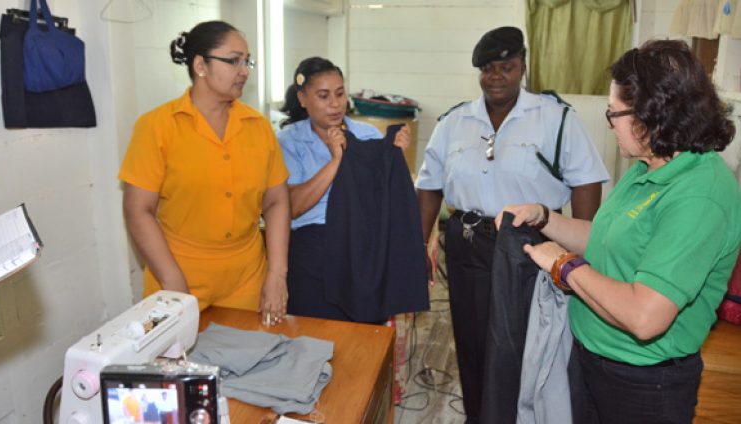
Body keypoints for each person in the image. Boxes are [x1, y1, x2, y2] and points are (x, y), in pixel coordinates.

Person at [498, 39, 741, 423]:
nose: (609, 123)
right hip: (593, 359)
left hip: (643, 385)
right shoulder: (649, 165)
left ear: (653, 116)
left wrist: (563, 265)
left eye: (615, 113)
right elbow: (606, 241)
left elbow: (645, 318)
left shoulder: (700, 196)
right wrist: (544, 218)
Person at [414, 26, 609, 422]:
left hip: (527, 247)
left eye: (507, 66)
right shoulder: (455, 121)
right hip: (467, 242)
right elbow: (429, 187)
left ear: (523, 67)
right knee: (471, 341)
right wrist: (419, 246)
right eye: (488, 68)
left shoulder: (555, 118)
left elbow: (586, 179)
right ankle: (478, 414)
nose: (496, 76)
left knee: (521, 343)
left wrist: (581, 243)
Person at [119, 21, 290, 325]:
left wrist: (277, 274)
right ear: (200, 65)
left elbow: (276, 201)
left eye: (246, 61)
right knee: (176, 368)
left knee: (249, 363)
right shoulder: (157, 127)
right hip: (177, 272)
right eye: (233, 60)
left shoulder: (258, 127)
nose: (245, 70)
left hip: (246, 276)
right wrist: (172, 282)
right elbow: (138, 210)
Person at [276, 57, 413, 321]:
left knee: (364, 334)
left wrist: (393, 157)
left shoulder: (368, 135)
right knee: (314, 331)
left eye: (340, 94)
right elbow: (292, 207)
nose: (335, 104)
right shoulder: (288, 142)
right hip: (314, 250)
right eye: (323, 96)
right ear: (303, 98)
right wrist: (337, 160)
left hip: (363, 246)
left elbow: (382, 198)